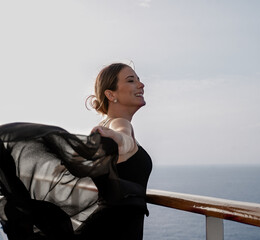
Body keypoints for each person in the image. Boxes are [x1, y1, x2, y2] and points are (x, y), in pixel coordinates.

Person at [0, 62, 152, 240]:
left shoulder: (102, 128)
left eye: (139, 80)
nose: (141, 84)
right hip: (117, 227)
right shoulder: (119, 124)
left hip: (107, 223)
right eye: (131, 80)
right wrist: (118, 138)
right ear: (111, 94)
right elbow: (124, 139)